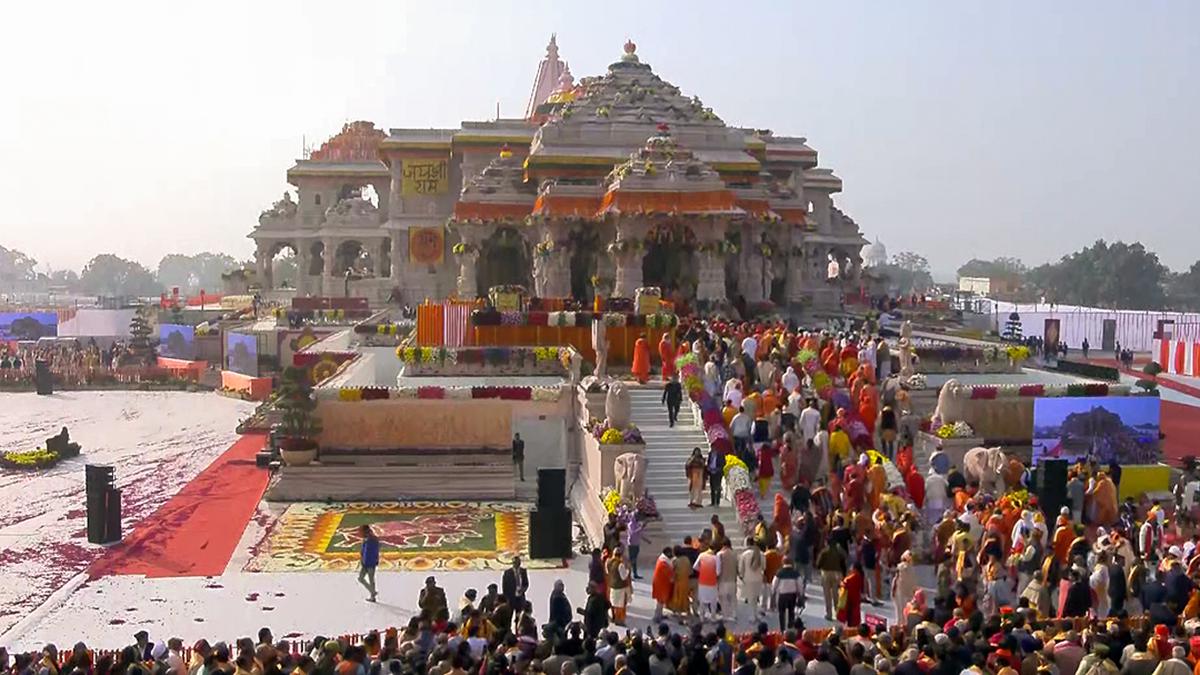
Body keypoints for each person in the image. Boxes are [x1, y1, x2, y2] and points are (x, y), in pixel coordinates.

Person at [772, 559, 802, 631]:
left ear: (783, 563)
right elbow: (800, 584)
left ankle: (782, 629)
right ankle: (790, 627)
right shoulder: (795, 573)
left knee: (781, 613)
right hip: (792, 595)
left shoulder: (779, 572)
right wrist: (800, 594)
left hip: (782, 595)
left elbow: (774, 583)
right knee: (791, 612)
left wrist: (773, 592)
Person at [651, 547, 674, 622]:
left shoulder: (663, 560)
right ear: (667, 553)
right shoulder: (663, 563)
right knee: (660, 602)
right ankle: (657, 617)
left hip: (661, 583)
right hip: (661, 585)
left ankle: (659, 614)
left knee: (661, 601)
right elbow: (669, 574)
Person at [358, 525, 379, 602]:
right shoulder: (365, 540)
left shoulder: (372, 540)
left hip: (370, 563)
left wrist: (375, 561)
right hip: (365, 562)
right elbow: (363, 552)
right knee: (361, 578)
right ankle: (372, 592)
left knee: (371, 579)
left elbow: (373, 552)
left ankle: (372, 596)